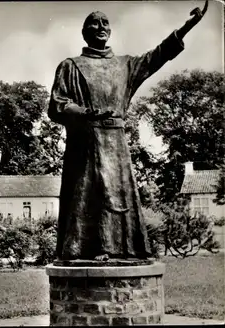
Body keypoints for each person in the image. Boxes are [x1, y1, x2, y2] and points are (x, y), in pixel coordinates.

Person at [48, 2, 208, 261]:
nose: (100, 27)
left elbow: (158, 55)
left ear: (110, 31)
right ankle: (88, 251)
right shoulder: (71, 66)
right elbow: (57, 105)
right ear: (84, 31)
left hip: (117, 144)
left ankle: (122, 249)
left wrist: (187, 27)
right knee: (89, 198)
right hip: (86, 144)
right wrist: (83, 114)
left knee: (117, 197)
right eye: (94, 22)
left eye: (105, 22)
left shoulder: (125, 65)